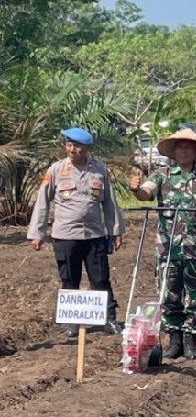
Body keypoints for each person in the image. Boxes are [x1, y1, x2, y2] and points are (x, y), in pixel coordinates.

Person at [129, 129, 196, 360]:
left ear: (195, 152)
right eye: (179, 147)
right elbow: (145, 194)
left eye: (187, 147)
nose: (183, 151)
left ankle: (191, 340)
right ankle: (174, 339)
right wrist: (135, 189)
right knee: (169, 294)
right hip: (168, 248)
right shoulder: (161, 175)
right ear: (173, 152)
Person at [28, 127, 125, 337]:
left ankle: (108, 319)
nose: (73, 150)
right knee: (69, 279)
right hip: (65, 236)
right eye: (69, 145)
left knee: (100, 279)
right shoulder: (55, 170)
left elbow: (110, 202)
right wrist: (37, 232)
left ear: (88, 148)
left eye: (78, 146)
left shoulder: (99, 169)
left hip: (94, 235)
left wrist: (115, 230)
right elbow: (42, 202)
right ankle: (70, 322)